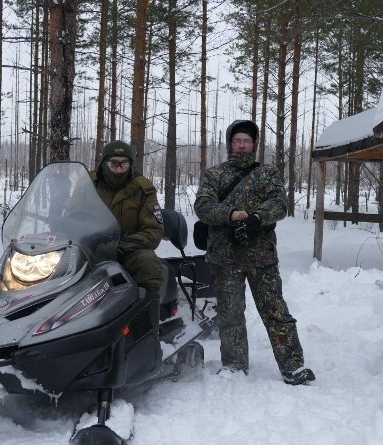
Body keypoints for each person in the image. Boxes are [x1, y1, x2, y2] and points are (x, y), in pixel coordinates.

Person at [194, 120, 315, 385]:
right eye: (237, 140)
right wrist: (231, 215)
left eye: (246, 141)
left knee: (276, 311)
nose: (241, 145)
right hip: (225, 257)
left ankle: (292, 366)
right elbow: (203, 206)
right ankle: (234, 366)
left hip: (261, 256)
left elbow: (279, 204)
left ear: (254, 145)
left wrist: (256, 218)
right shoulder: (215, 175)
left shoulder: (268, 173)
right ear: (230, 144)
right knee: (230, 313)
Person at [91, 140, 164, 333]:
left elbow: (153, 230)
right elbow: (70, 217)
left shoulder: (143, 188)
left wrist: (123, 245)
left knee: (148, 263)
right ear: (104, 163)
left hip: (127, 250)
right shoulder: (88, 184)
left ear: (131, 164)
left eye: (124, 163)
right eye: (113, 163)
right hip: (90, 248)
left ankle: (149, 334)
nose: (118, 169)